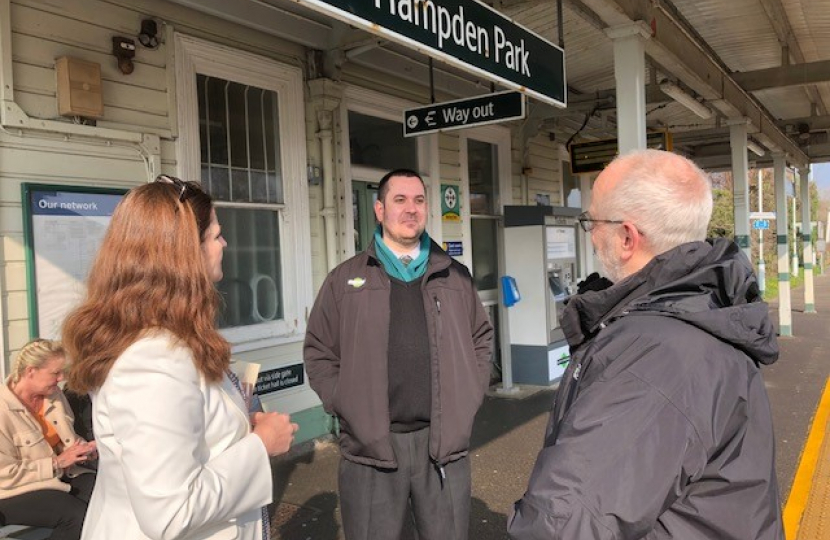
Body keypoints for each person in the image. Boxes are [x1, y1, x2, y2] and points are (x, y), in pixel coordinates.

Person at [508, 149, 783, 539]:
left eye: (591, 221)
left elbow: (566, 523)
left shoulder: (652, 356)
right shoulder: (707, 310)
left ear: (626, 237)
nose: (590, 234)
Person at [62, 175, 298, 540]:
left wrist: (239, 429)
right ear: (184, 253)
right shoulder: (153, 361)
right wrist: (260, 446)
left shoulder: (163, 341)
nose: (225, 243)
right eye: (215, 235)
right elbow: (171, 513)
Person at [304, 169, 494, 540]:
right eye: (400, 200)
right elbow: (319, 350)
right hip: (372, 447)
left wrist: (470, 394)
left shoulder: (456, 277)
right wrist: (344, 402)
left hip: (441, 445)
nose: (411, 209)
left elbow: (481, 339)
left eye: (419, 200)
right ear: (379, 210)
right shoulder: (345, 280)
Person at [0, 339, 96, 540]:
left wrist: (84, 449)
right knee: (75, 514)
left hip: (61, 474)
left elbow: (65, 440)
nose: (61, 379)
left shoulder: (54, 395)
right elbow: (4, 474)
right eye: (55, 373)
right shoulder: (3, 410)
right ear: (30, 371)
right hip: (13, 490)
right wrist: (57, 463)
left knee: (107, 494)